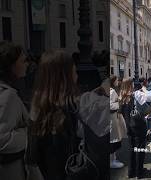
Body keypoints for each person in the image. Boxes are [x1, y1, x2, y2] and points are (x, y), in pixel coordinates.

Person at [26, 50, 109, 180]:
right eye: (73, 69)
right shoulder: (82, 105)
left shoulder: (37, 106)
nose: (76, 72)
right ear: (65, 75)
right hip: (76, 172)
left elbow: (33, 155)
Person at [0, 41, 29, 180]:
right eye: (23, 61)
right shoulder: (8, 96)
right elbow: (3, 140)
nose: (27, 64)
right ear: (11, 66)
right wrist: (30, 132)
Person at [119, 79, 151, 179]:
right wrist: (144, 89)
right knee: (140, 149)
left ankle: (131, 172)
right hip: (138, 126)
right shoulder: (137, 94)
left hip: (129, 126)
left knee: (132, 149)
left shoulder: (121, 97)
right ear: (130, 85)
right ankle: (139, 173)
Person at [109, 76, 126, 169]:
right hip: (112, 118)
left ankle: (113, 159)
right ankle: (111, 162)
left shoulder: (111, 90)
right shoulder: (111, 91)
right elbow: (110, 105)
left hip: (114, 118)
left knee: (114, 139)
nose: (117, 82)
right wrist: (119, 102)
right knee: (113, 140)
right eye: (116, 80)